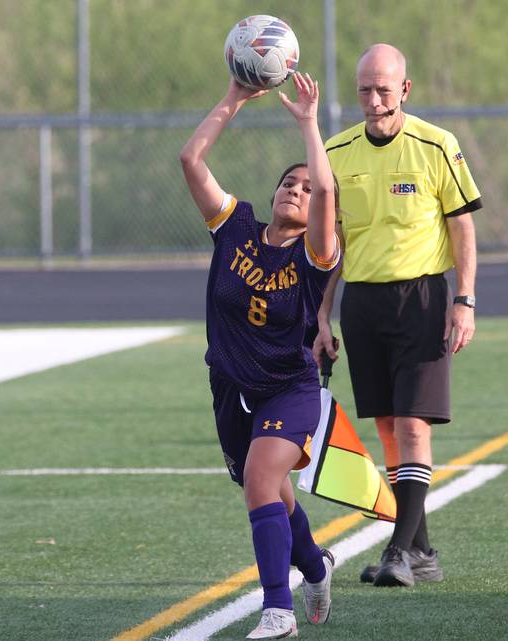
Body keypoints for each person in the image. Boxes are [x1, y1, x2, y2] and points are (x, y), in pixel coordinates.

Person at [313, 43, 482, 588]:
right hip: (363, 304)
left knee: (412, 426)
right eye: (365, 89)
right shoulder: (337, 152)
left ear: (405, 89)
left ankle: (397, 552)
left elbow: (462, 229)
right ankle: (423, 550)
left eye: (384, 88)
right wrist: (322, 315)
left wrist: (465, 298)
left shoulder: (437, 145)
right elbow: (333, 245)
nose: (374, 99)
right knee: (388, 427)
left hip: (423, 301)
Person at [180, 72, 340, 639]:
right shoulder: (236, 226)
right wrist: (233, 97)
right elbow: (191, 160)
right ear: (272, 195)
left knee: (258, 477)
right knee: (271, 487)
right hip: (229, 386)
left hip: (288, 387)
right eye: (287, 183)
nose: (296, 190)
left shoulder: (314, 255)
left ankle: (278, 612)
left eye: (305, 187)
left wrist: (308, 123)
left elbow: (326, 191)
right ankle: (316, 565)